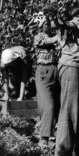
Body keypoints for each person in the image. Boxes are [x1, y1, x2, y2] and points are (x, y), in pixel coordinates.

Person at [54, 14, 79, 156]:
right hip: (71, 65)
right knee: (69, 110)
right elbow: (61, 24)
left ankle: (76, 149)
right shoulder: (70, 15)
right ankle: (62, 154)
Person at [32, 14, 61, 148]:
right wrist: (60, 35)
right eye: (46, 24)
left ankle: (53, 135)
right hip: (44, 71)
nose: (48, 26)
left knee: (56, 105)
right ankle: (44, 137)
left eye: (50, 24)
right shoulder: (39, 37)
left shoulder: (55, 36)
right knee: (47, 105)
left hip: (56, 70)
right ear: (41, 26)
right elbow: (48, 41)